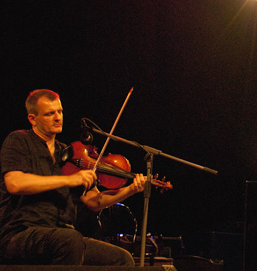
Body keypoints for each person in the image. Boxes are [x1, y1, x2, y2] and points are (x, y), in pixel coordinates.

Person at [0, 89, 147, 265]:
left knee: (122, 259)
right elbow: (15, 183)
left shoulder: (70, 152)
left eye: (60, 111)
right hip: (21, 233)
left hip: (63, 234)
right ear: (33, 119)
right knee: (70, 240)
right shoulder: (19, 140)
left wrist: (129, 190)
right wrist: (69, 180)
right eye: (49, 113)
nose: (58, 117)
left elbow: (95, 201)